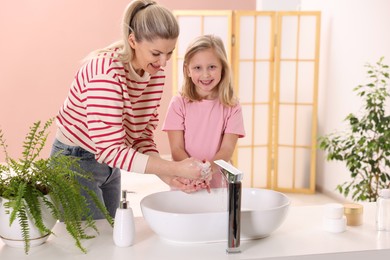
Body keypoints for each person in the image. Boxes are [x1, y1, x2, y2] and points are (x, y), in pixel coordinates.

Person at [50, 0, 206, 220]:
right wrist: (175, 168)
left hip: (110, 164)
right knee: (90, 245)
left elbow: (141, 136)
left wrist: (167, 176)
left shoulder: (154, 73)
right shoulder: (106, 74)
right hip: (75, 161)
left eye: (169, 53)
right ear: (133, 41)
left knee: (110, 236)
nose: (163, 63)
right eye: (156, 53)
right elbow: (110, 150)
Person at [162, 34, 245, 190]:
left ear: (222, 68)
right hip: (186, 182)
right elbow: (177, 149)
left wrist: (207, 171)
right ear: (187, 70)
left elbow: (226, 149)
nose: (205, 74)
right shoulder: (178, 103)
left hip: (219, 184)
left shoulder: (232, 106)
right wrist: (194, 173)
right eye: (197, 68)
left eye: (212, 67)